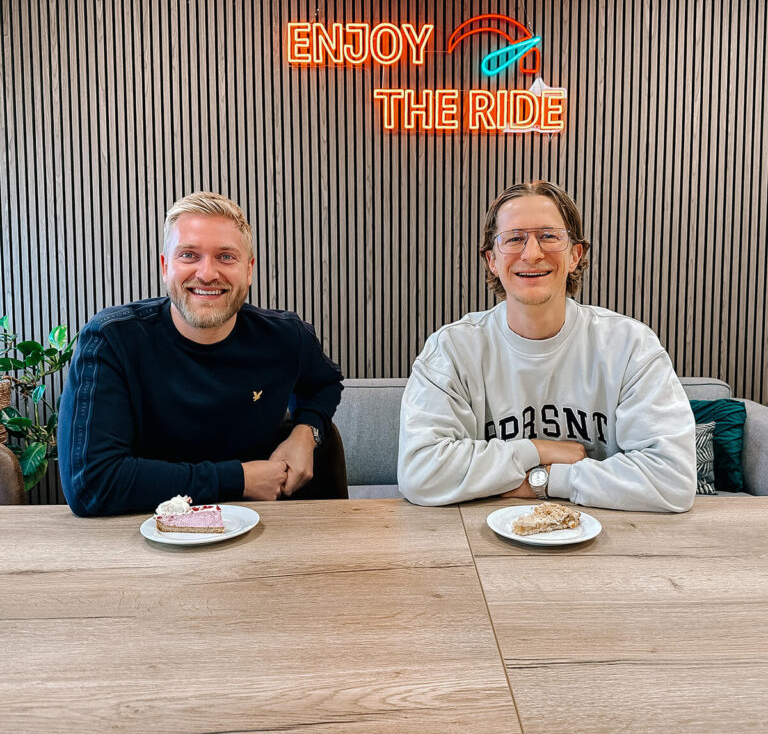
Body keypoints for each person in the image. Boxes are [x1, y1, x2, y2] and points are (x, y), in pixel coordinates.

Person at [398, 181, 696, 512]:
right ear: (492, 260)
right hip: (478, 531)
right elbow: (420, 472)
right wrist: (535, 450)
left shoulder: (630, 347)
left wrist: (544, 481)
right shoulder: (451, 350)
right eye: (514, 239)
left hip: (608, 534)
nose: (532, 254)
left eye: (549, 236)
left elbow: (673, 479)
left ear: (575, 255)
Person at [59, 192, 343, 516]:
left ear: (249, 270)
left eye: (226, 257)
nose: (207, 273)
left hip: (266, 524)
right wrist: (240, 479)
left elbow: (325, 383)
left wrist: (307, 432)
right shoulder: (112, 340)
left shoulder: (286, 337)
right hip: (148, 529)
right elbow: (91, 483)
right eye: (189, 255)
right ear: (165, 267)